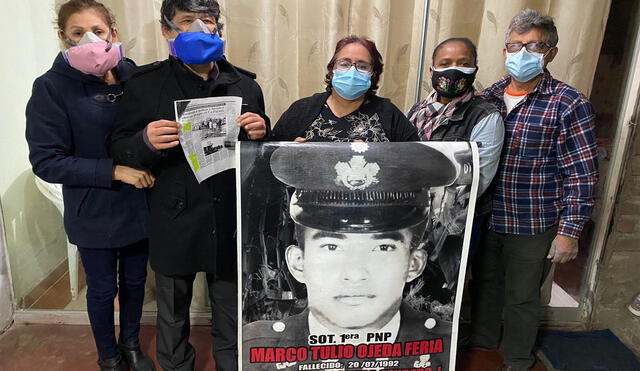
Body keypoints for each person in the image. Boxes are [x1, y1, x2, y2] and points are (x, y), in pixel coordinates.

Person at [109, 0, 268, 370]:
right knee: (172, 312)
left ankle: (231, 363)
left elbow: (260, 150)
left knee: (230, 309)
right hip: (173, 215)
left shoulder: (245, 84)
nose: (199, 29)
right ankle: (177, 364)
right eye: (186, 22)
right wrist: (144, 141)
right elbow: (118, 146)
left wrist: (262, 131)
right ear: (167, 30)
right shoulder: (145, 86)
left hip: (228, 216)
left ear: (218, 28)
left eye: (207, 21)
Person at [243, 143, 457, 370]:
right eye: (332, 247)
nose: (355, 275)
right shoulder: (255, 350)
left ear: (414, 264)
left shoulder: (444, 349)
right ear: (298, 263)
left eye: (383, 248)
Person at [25, 1, 155, 370]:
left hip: (140, 200)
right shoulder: (51, 88)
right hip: (92, 207)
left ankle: (130, 343)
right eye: (78, 34)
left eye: (98, 31)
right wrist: (114, 171)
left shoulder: (136, 77)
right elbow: (47, 160)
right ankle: (108, 357)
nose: (90, 40)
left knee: (135, 282)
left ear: (114, 32)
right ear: (62, 39)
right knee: (101, 289)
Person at [470, 9, 598, 371]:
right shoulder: (489, 97)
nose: (522, 53)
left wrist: (569, 233)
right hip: (488, 216)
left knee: (522, 297)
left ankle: (517, 358)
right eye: (515, 45)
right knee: (485, 286)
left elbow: (582, 173)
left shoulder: (568, 103)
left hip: (533, 222)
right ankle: (481, 343)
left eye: (533, 46)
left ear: (550, 53)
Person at [271, 35, 419, 142]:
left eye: (362, 66)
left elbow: (414, 161)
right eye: (344, 63)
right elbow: (269, 157)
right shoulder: (302, 109)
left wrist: (377, 156)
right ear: (332, 69)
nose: (352, 71)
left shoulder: (388, 113)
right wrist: (291, 154)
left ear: (373, 73)